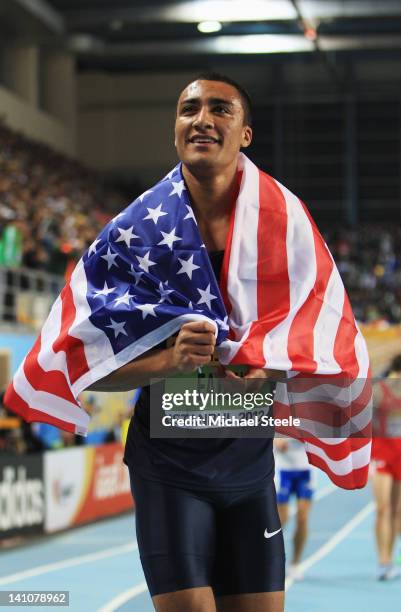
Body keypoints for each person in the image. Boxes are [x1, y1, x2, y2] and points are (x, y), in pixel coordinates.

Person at [4, 71, 371, 612]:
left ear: (245, 132)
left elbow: (323, 343)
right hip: (169, 467)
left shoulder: (288, 227)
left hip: (249, 463)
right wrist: (168, 360)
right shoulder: (135, 235)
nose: (202, 119)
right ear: (176, 128)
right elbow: (85, 366)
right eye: (189, 109)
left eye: (220, 109)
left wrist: (266, 367)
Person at [371, 354, 401, 581]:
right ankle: (383, 560)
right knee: (383, 508)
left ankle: (391, 557)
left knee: (397, 510)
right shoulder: (379, 390)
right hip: (381, 450)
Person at [274, 438, 315, 581]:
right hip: (283, 470)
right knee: (280, 520)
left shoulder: (310, 414)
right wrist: (274, 440)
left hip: (306, 469)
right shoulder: (278, 414)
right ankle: (274, 563)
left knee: (303, 518)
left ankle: (295, 563)